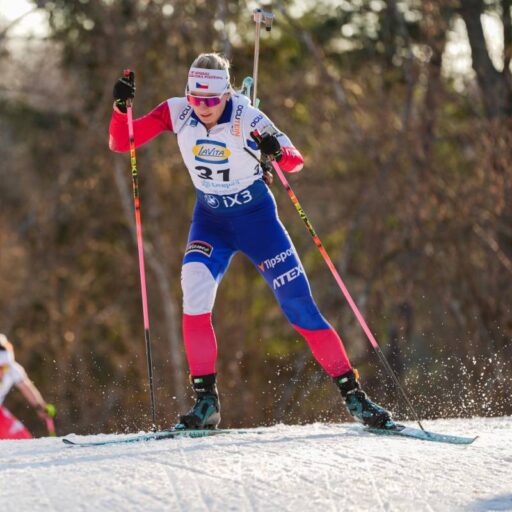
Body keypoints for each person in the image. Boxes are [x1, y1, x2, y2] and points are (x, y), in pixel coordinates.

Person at [108, 53, 393, 430]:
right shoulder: (177, 112)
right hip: (210, 221)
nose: (202, 108)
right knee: (194, 293)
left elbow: (295, 161)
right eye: (195, 98)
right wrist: (119, 109)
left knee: (299, 307)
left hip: (257, 223)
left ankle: (354, 395)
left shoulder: (246, 117)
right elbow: (121, 141)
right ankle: (206, 402)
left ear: (226, 94)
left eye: (210, 101)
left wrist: (274, 150)